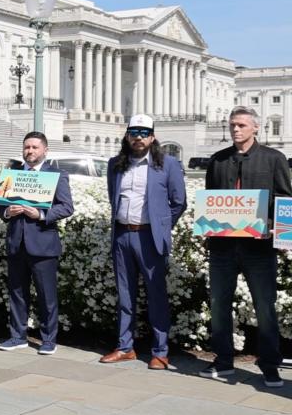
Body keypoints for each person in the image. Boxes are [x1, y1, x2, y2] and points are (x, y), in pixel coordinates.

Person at [200, 106, 291, 388]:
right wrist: (205, 228)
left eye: (241, 125)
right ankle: (224, 361)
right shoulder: (218, 160)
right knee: (218, 305)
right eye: (232, 125)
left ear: (255, 128)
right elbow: (211, 200)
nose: (235, 129)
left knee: (265, 306)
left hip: (259, 249)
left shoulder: (274, 159)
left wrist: (277, 229)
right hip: (223, 248)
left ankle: (269, 366)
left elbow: (286, 200)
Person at [99, 115, 186, 370]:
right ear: (127, 135)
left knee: (156, 295)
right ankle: (125, 347)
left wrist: (161, 225)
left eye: (144, 132)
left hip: (150, 237)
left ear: (152, 136)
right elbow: (112, 197)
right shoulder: (115, 163)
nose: (139, 137)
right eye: (134, 132)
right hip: (122, 235)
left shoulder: (167, 164)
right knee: (125, 295)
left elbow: (179, 202)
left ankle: (160, 351)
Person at [0, 132, 73, 355]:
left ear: (45, 150)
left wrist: (40, 214)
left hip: (43, 243)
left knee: (47, 294)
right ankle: (18, 336)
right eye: (27, 147)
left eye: (35, 147)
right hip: (16, 242)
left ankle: (48, 339)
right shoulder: (13, 174)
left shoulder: (56, 175)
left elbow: (66, 207)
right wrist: (7, 211)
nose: (30, 151)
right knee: (17, 292)